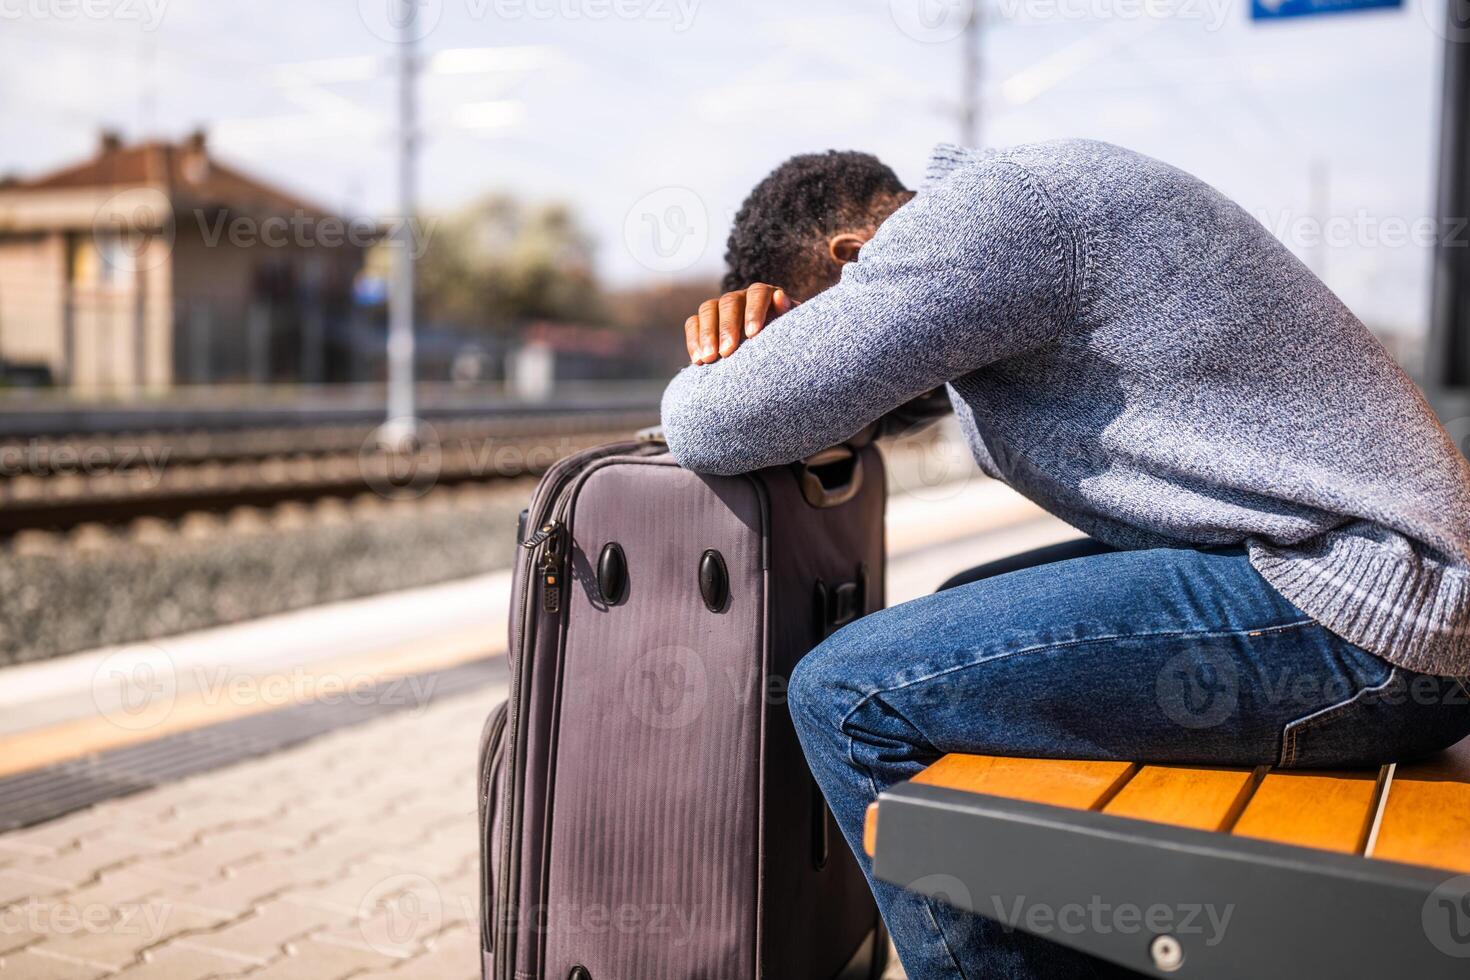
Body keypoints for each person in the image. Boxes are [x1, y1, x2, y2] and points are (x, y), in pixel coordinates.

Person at [658, 141, 1470, 979]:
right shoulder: (1015, 225)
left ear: (855, 257)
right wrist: (793, 358)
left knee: (852, 694)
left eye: (844, 311)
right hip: (1372, 586)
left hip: (1374, 611)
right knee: (959, 607)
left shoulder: (987, 218)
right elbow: (890, 404)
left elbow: (713, 428)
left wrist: (727, 359)